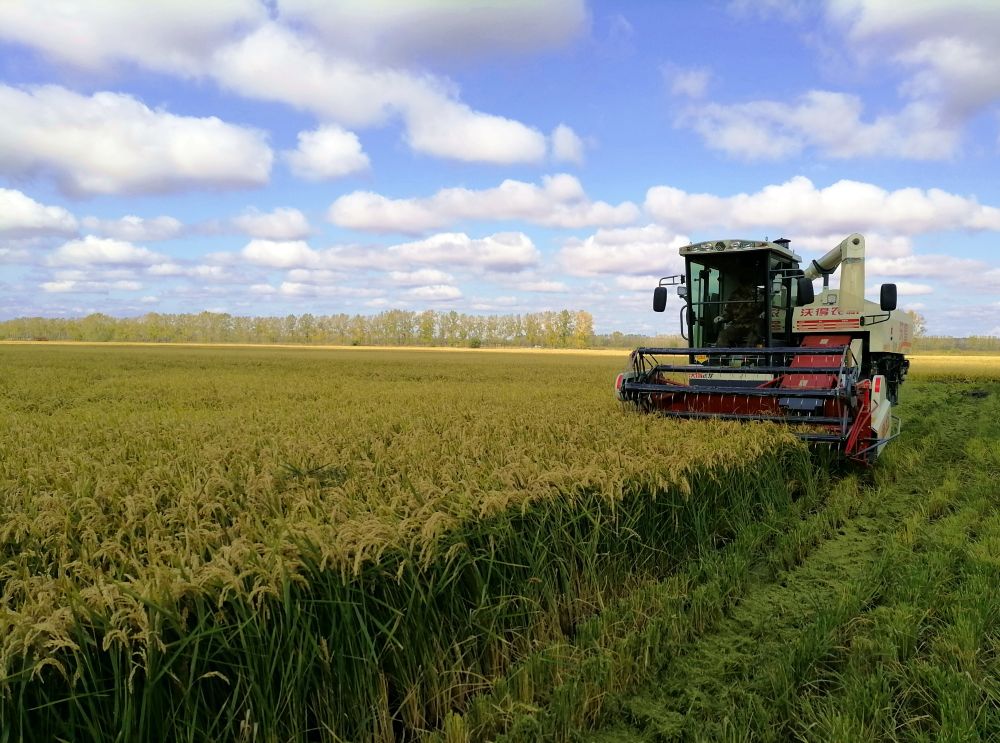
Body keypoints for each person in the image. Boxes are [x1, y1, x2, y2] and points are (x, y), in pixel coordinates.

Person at [716, 282, 763, 346]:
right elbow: (729, 313)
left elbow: (761, 309)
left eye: (750, 285)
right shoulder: (734, 296)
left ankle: (749, 353)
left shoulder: (757, 296)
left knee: (755, 331)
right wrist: (722, 318)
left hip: (752, 325)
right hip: (737, 326)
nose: (749, 287)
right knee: (723, 334)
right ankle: (722, 354)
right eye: (746, 284)